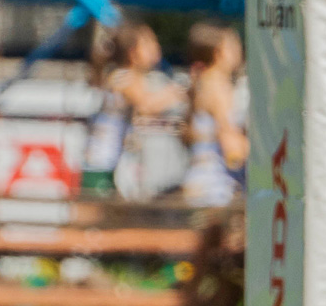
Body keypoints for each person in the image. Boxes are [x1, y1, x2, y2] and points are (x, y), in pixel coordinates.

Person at [80, 22, 184, 196]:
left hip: (112, 162)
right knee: (91, 216)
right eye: (150, 44)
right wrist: (178, 91)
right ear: (133, 53)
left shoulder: (126, 76)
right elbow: (146, 106)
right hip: (102, 162)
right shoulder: (123, 77)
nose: (156, 48)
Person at [180, 22, 247, 207]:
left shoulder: (203, 82)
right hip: (215, 186)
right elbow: (231, 148)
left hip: (200, 181)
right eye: (234, 45)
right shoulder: (219, 87)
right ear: (218, 53)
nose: (239, 50)